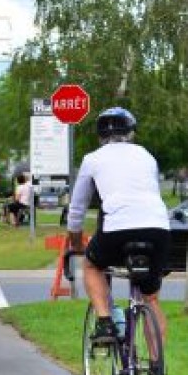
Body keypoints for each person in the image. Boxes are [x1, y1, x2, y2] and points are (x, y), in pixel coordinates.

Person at [66, 107, 170, 351]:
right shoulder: (146, 155)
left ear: (100, 135)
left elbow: (77, 209)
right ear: (131, 133)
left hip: (118, 229)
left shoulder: (92, 159)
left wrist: (77, 242)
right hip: (158, 228)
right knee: (151, 298)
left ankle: (104, 322)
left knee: (92, 266)